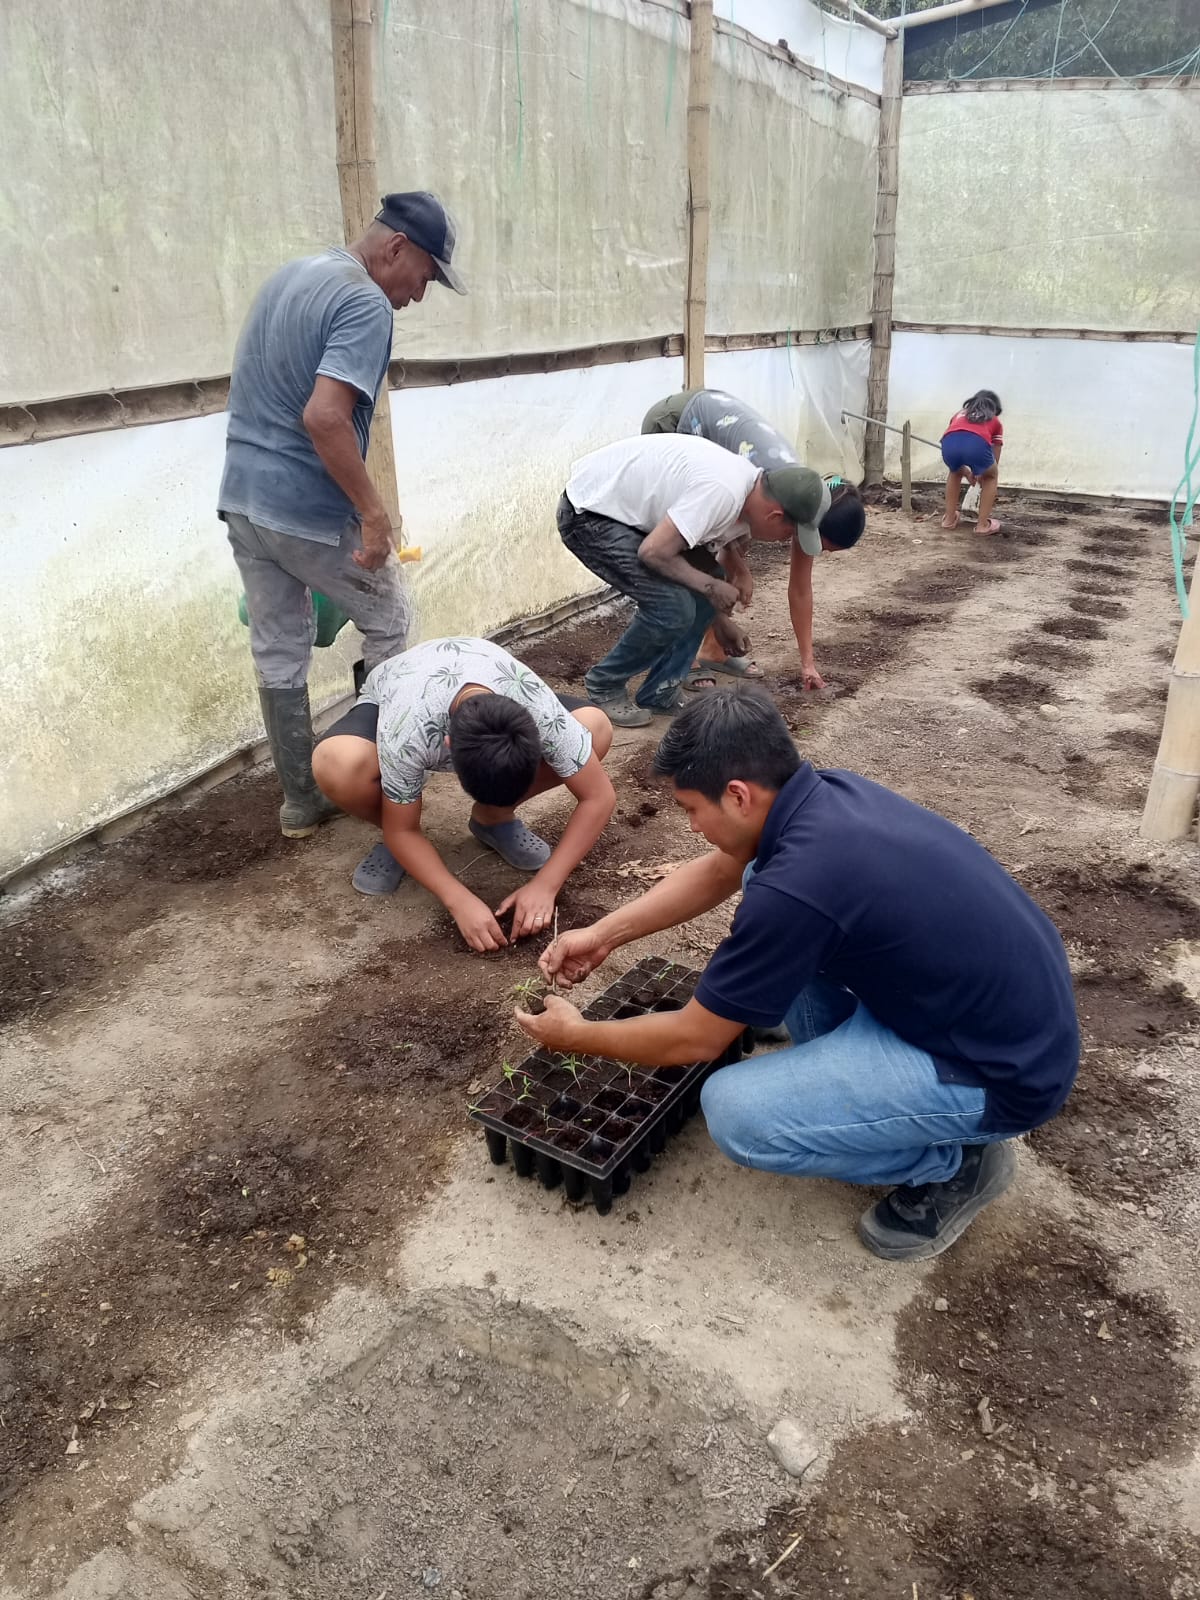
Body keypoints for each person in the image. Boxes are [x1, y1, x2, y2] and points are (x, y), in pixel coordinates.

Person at [516, 688, 1078, 1262]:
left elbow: (695, 1040)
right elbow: (723, 869)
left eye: (690, 809)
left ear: (738, 795)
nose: (692, 827)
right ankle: (848, 1069)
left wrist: (577, 1036)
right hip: (979, 1012)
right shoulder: (824, 798)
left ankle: (954, 1162)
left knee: (737, 1114)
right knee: (755, 872)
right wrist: (603, 934)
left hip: (998, 1072)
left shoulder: (800, 886)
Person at [218, 190, 466, 870]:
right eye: (425, 275)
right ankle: (376, 780)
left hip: (242, 498)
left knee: (277, 646)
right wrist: (373, 515)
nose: (420, 293)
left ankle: (301, 801)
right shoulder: (364, 301)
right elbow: (325, 418)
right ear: (396, 248)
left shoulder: (292, 276)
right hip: (303, 506)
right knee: (389, 619)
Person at [311, 638, 615, 947]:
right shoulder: (407, 730)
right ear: (447, 747)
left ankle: (492, 818)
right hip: (398, 688)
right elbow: (402, 830)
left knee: (595, 729)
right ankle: (397, 835)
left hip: (480, 670)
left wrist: (546, 885)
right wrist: (458, 900)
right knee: (338, 764)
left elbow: (599, 797)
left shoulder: (540, 712)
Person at [556, 432, 825, 728]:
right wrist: (711, 588)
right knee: (672, 606)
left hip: (629, 518)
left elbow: (697, 567)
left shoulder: (745, 496)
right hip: (591, 513)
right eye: (789, 533)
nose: (785, 540)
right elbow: (654, 552)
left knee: (710, 577)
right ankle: (604, 683)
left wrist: (719, 621)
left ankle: (661, 691)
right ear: (774, 516)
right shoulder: (722, 493)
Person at [642, 388, 866, 691]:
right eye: (822, 545)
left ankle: (713, 649)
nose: (816, 551)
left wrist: (808, 663)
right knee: (683, 548)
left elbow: (800, 589)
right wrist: (738, 566)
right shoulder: (783, 490)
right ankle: (683, 659)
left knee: (738, 543)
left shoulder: (807, 500)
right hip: (678, 420)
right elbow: (715, 521)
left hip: (717, 435)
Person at [941, 389, 1003, 535]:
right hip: (977, 444)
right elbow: (996, 449)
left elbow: (958, 438)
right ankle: (982, 525)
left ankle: (949, 520)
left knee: (954, 472)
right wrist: (985, 473)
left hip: (948, 444)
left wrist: (967, 472)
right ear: (994, 408)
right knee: (991, 477)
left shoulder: (958, 414)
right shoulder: (993, 419)